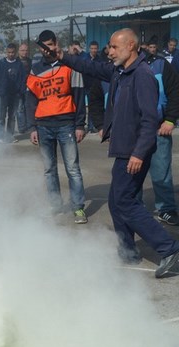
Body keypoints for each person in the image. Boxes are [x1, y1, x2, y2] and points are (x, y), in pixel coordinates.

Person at [60, 28, 179, 276]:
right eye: (110, 47)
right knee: (117, 201)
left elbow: (150, 120)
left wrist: (138, 153)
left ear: (132, 46)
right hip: (124, 148)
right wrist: (62, 55)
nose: (109, 51)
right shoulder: (119, 71)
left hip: (135, 151)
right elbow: (90, 68)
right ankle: (128, 250)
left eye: (115, 47)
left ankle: (169, 250)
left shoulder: (143, 75)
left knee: (124, 201)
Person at [26, 30, 87, 224]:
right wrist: (32, 127)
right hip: (43, 125)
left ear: (56, 44)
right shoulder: (35, 70)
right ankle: (55, 205)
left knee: (73, 168)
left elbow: (79, 95)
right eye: (43, 47)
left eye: (50, 45)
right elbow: (29, 101)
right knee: (49, 169)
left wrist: (80, 125)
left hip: (66, 124)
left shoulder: (70, 65)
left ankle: (78, 207)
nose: (47, 50)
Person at [142, 37, 179, 226]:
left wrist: (170, 119)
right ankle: (135, 207)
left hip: (159, 128)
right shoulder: (124, 67)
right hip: (136, 131)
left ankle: (165, 209)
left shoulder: (161, 64)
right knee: (132, 171)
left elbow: (174, 92)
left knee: (162, 170)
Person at [0, 43, 26, 143]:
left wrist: (20, 90)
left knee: (12, 116)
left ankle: (9, 136)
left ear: (15, 53)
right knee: (2, 117)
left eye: (12, 52)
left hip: (15, 95)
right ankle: (1, 136)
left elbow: (23, 78)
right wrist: (1, 91)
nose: (10, 54)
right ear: (6, 52)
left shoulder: (19, 64)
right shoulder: (2, 63)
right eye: (9, 52)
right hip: (4, 95)